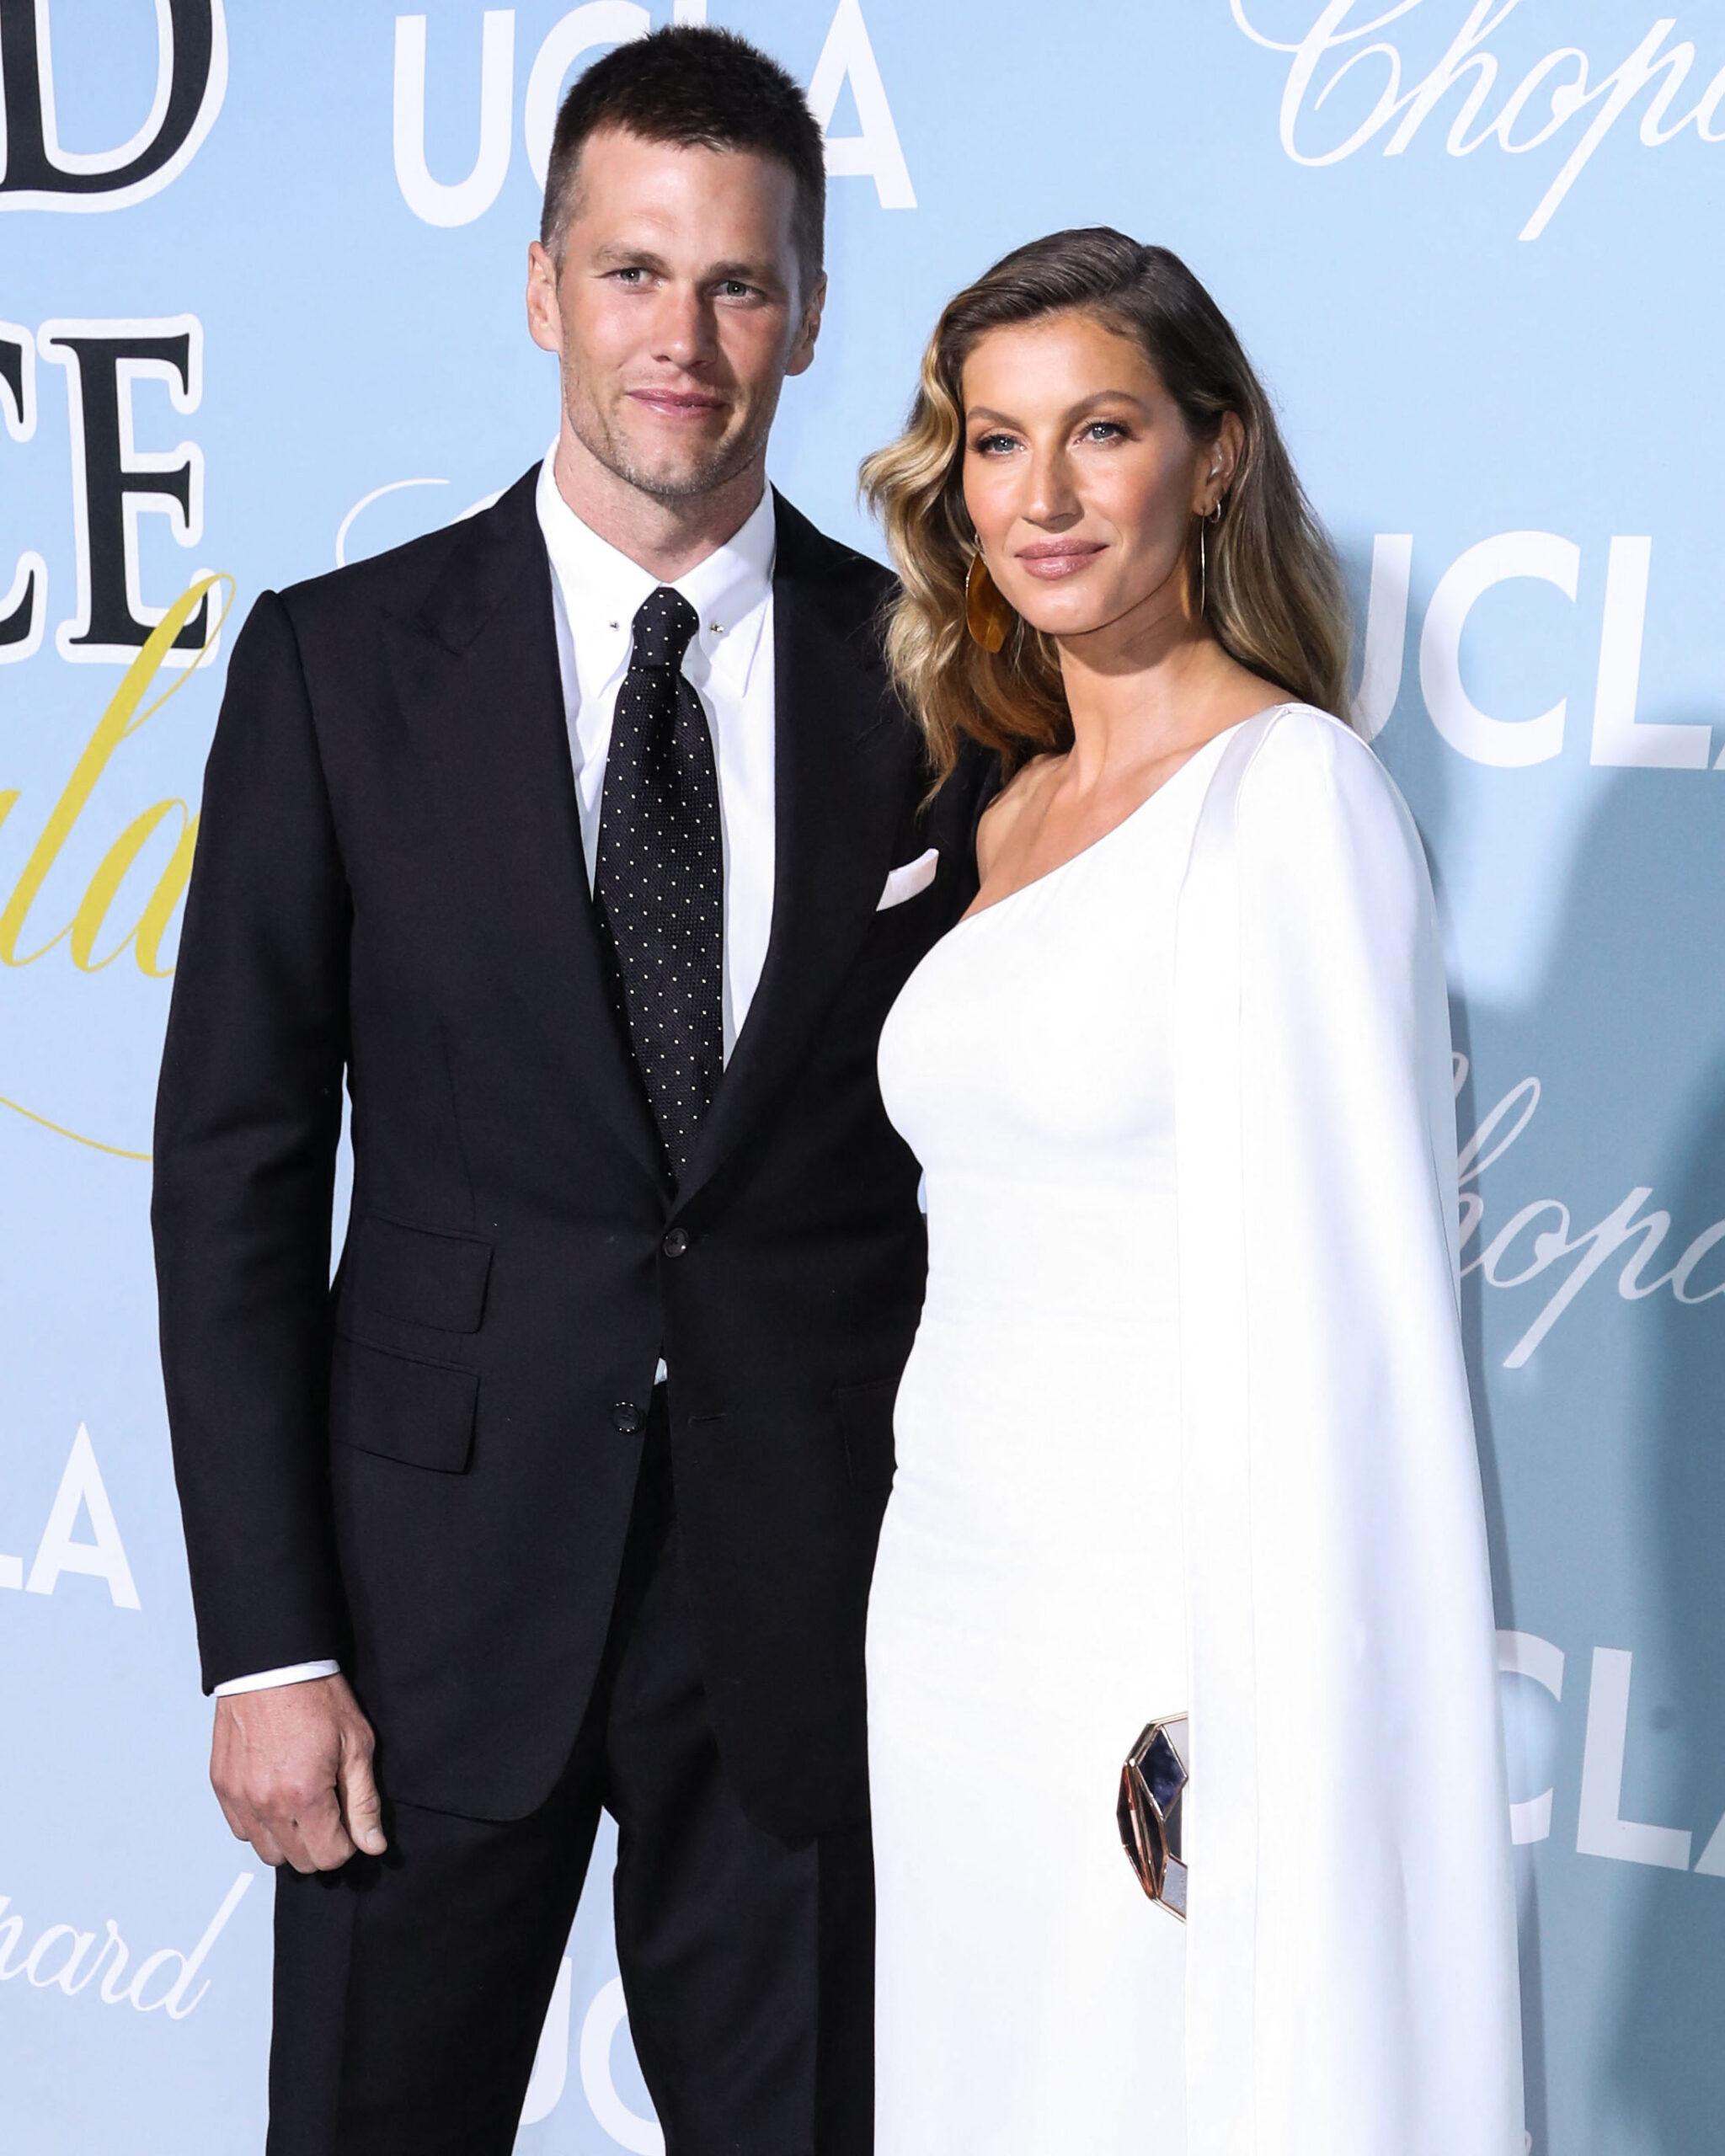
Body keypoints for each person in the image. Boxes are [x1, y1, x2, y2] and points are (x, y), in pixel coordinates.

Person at [150, 27, 982, 2154]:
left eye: (735, 283)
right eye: (632, 273)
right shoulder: (338, 666)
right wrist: (265, 1642)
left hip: (807, 1628)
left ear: (804, 310)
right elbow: (232, 1178)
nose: (681, 341)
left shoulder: (939, 691)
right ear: (541, 290)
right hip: (419, 1632)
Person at [858, 229, 1525, 2154]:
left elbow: (1352, 1338)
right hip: (956, 1626)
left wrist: (1251, 1725)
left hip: (1149, 1671)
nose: (1042, 498)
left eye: (1102, 431)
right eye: (995, 444)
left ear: (1213, 456)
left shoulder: (1292, 801)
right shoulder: (991, 805)